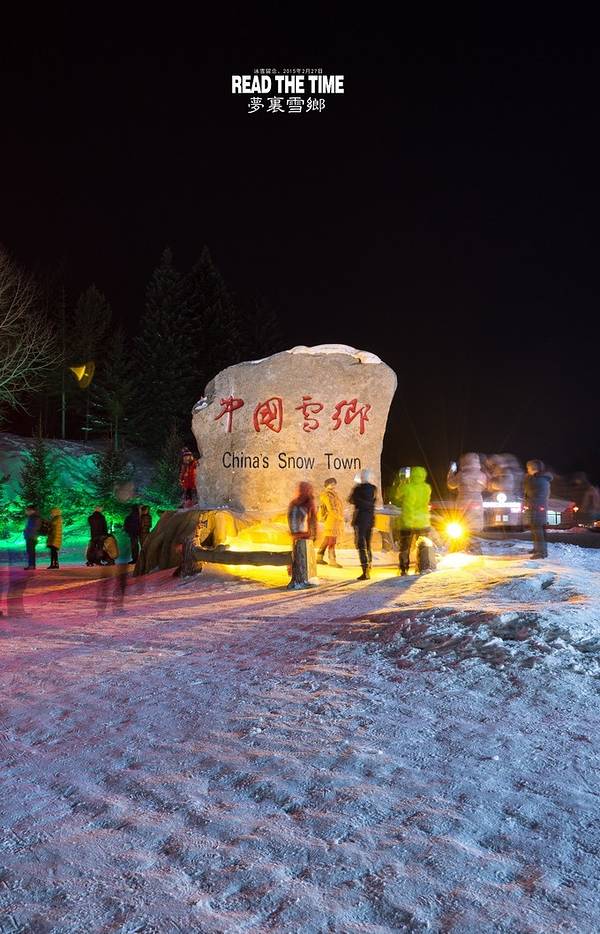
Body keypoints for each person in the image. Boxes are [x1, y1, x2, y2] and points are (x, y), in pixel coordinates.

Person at [392, 466, 432, 575]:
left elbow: (397, 496)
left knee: (405, 547)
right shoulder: (427, 488)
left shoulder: (407, 487)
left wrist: (403, 481)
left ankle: (404, 569)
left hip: (407, 522)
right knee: (423, 546)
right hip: (423, 522)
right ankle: (422, 567)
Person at [287, 481, 318, 590]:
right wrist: (293, 531)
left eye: (304, 489)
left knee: (303, 556)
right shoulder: (294, 503)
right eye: (301, 488)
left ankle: (303, 578)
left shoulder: (309, 503)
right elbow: (291, 518)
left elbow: (313, 519)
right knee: (296, 555)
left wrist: (312, 533)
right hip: (297, 534)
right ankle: (297, 578)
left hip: (304, 535)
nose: (301, 491)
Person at [447, 453, 488, 531]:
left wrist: (451, 471)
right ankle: (477, 532)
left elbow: (451, 484)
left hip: (463, 499)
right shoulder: (482, 475)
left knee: (462, 522)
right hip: (478, 499)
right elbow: (484, 487)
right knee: (477, 518)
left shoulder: (462, 475)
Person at [349, 469, 377, 581]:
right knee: (368, 543)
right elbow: (373, 502)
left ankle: (365, 571)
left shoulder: (358, 489)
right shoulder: (374, 489)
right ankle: (369, 566)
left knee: (361, 544)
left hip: (360, 519)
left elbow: (351, 500)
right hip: (370, 519)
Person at [524, 459, 551, 559]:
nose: (527, 470)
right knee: (536, 530)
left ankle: (541, 552)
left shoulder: (539, 480)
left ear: (533, 468)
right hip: (535, 507)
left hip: (537, 508)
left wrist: (528, 480)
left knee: (538, 531)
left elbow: (533, 494)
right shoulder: (537, 479)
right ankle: (537, 549)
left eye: (528, 468)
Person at [317, 478, 344, 568]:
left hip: (334, 519)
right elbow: (331, 509)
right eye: (331, 484)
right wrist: (340, 517)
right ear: (327, 484)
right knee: (332, 540)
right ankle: (332, 560)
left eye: (334, 484)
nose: (333, 485)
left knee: (327, 539)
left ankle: (319, 557)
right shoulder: (327, 495)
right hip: (331, 520)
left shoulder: (333, 494)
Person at [23, 505, 41, 570]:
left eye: (27, 510)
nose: (26, 511)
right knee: (31, 551)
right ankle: (32, 565)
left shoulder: (33, 517)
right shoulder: (35, 517)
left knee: (30, 551)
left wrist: (26, 530)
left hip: (31, 537)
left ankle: (31, 565)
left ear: (31, 510)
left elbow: (32, 527)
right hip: (32, 536)